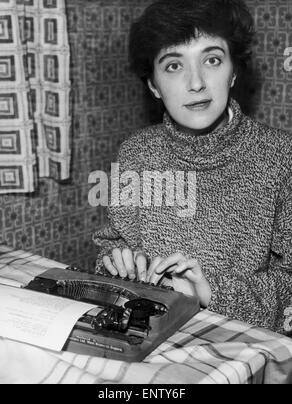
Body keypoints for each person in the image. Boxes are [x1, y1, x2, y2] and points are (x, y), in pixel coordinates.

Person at [93, 0, 292, 334]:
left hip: (241, 350)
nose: (196, 82)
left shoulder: (281, 157)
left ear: (233, 72)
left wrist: (208, 292)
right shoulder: (135, 153)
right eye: (173, 65)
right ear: (154, 85)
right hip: (148, 340)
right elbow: (110, 247)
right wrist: (117, 263)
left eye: (212, 60)